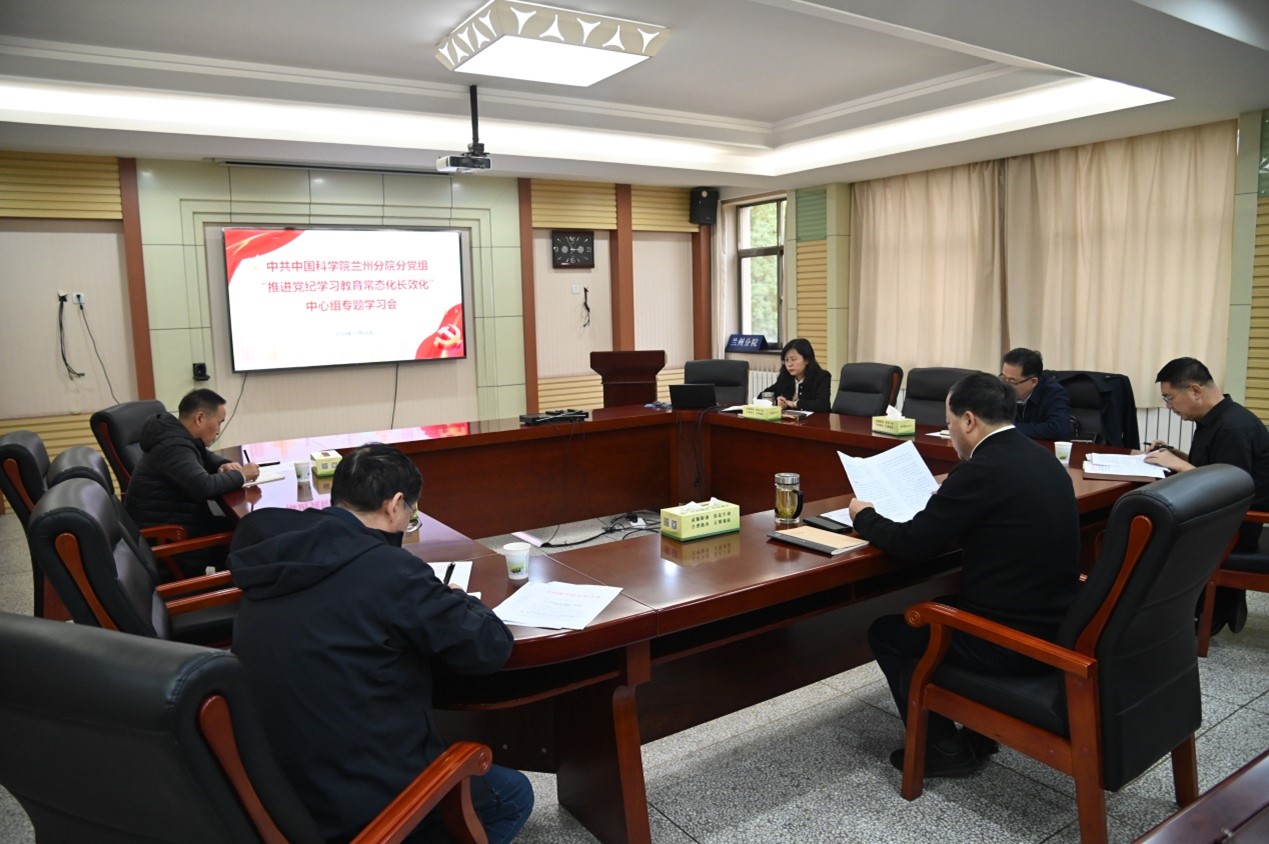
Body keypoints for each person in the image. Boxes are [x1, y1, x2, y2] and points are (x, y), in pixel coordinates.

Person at [229, 443, 532, 844]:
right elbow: (490, 647)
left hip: (282, 790)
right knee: (513, 795)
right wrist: (458, 598)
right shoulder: (389, 570)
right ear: (394, 505)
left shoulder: (276, 553)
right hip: (361, 802)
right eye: (411, 513)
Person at [848, 373, 1080, 776]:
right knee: (936, 605)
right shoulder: (1040, 457)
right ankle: (979, 735)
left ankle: (941, 751)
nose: (950, 432)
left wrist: (863, 516)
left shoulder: (981, 470)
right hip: (1057, 623)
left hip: (1008, 642)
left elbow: (911, 545)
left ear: (969, 420)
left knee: (888, 633)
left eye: (949, 422)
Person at [1145, 357, 1269, 635]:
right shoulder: (1215, 419)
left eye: (1169, 398)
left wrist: (1180, 467)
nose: (1169, 407)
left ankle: (1197, 612)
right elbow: (1212, 467)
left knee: (1156, 531)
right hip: (1226, 517)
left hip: (1239, 525)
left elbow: (1229, 490)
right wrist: (1174, 454)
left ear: (1195, 391)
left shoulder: (1233, 427)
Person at [124, 388, 259, 575]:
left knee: (244, 529)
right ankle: (242, 585)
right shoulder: (173, 446)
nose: (219, 431)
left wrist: (224, 465)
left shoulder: (175, 435)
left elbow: (203, 455)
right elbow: (204, 486)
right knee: (250, 535)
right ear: (200, 418)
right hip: (172, 542)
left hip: (180, 524)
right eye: (219, 423)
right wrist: (242, 475)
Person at [1000, 347, 1072, 440]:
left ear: (1033, 382)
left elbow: (1058, 429)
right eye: (1003, 378)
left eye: (1012, 381)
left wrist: (1008, 429)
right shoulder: (998, 389)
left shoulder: (1054, 393)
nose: (1005, 385)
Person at [763, 338, 832, 412]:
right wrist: (776, 401)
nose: (789, 364)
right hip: (790, 419)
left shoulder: (821, 377)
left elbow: (823, 405)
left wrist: (796, 404)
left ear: (806, 360)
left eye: (793, 359)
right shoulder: (785, 377)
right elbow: (763, 395)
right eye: (786, 360)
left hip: (815, 418)